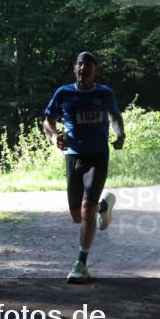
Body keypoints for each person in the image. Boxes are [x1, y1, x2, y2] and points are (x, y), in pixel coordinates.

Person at [43, 52, 124, 283]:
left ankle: (81, 263)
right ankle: (104, 206)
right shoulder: (63, 93)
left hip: (98, 156)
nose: (83, 69)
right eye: (79, 65)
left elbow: (115, 117)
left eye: (88, 65)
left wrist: (120, 135)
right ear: (74, 68)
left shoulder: (105, 93)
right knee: (77, 215)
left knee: (86, 208)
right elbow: (48, 120)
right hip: (73, 157)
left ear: (95, 70)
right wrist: (54, 137)